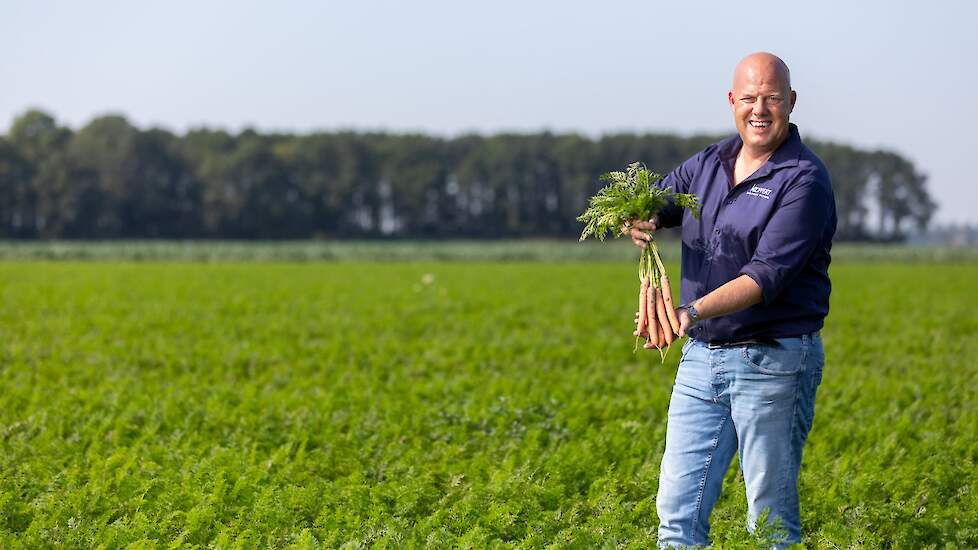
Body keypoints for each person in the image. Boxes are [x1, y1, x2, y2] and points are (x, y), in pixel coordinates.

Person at [627, 52, 836, 547]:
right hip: (702, 359)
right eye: (749, 98)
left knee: (769, 523)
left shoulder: (803, 179)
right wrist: (640, 217)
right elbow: (658, 199)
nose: (759, 109)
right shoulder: (710, 162)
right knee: (678, 514)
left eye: (771, 98)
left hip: (772, 361)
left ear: (791, 101)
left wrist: (689, 311)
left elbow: (765, 277)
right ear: (732, 102)